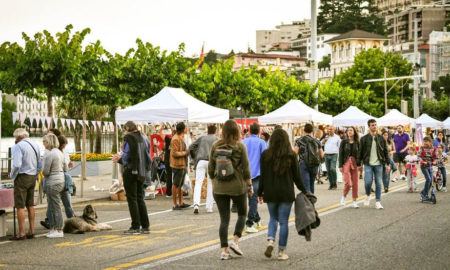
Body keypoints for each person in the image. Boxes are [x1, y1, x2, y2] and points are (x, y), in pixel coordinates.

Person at [258, 129, 307, 260]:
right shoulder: (291, 155)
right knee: (284, 221)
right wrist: (305, 190)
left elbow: (262, 176)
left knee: (273, 218)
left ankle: (270, 240)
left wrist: (259, 192)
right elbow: (297, 176)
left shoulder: (265, 155)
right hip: (286, 192)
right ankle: (281, 252)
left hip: (270, 191)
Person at [208, 120, 252, 260]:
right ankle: (235, 241)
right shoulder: (240, 146)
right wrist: (249, 185)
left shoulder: (215, 145)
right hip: (237, 187)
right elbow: (246, 168)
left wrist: (214, 182)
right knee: (242, 214)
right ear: (237, 132)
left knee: (224, 219)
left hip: (219, 188)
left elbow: (211, 167)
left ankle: (224, 251)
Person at [112, 121, 151, 234]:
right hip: (142, 171)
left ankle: (135, 226)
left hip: (130, 171)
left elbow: (126, 157)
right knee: (140, 198)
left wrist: (119, 158)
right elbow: (148, 156)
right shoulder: (143, 138)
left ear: (128, 129)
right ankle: (145, 226)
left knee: (132, 198)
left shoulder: (128, 139)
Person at [10, 128, 42, 240]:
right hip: (33, 176)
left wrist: (12, 176)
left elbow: (17, 164)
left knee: (20, 206)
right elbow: (39, 164)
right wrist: (35, 173)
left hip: (22, 176)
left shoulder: (18, 146)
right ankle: (31, 231)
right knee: (30, 204)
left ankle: (21, 233)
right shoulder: (35, 145)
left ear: (18, 137)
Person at [360, 119, 390, 209]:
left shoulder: (381, 138)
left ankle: (378, 201)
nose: (374, 126)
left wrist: (388, 164)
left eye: (375, 125)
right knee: (368, 182)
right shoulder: (364, 139)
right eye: (372, 125)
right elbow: (360, 152)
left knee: (379, 183)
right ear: (369, 126)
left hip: (379, 163)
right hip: (368, 163)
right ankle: (368, 194)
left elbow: (385, 151)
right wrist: (359, 164)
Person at [242, 123, 267, 233]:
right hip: (257, 174)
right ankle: (249, 223)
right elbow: (265, 159)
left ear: (249, 131)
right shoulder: (262, 142)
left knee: (251, 198)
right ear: (259, 131)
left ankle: (257, 219)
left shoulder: (243, 142)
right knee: (253, 199)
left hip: (244, 174)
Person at [42, 133, 68, 238]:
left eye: (44, 141)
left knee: (55, 206)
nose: (43, 144)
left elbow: (45, 171)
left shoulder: (50, 154)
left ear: (48, 142)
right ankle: (54, 228)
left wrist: (44, 171)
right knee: (54, 206)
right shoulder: (60, 153)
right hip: (61, 180)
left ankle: (58, 229)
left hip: (52, 181)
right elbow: (66, 168)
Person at [190, 125, 218, 214]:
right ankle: (209, 207)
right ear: (215, 131)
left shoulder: (202, 138)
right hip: (211, 162)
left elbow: (191, 147)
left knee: (198, 183)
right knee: (210, 183)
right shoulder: (217, 139)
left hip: (201, 161)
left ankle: (196, 205)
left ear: (207, 131)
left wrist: (195, 156)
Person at [294, 123, 323, 194]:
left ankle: (307, 202)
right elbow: (322, 154)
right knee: (312, 184)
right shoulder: (317, 141)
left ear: (304, 130)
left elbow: (295, 153)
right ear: (312, 131)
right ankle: (311, 202)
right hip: (314, 164)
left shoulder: (299, 140)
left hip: (303, 163)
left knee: (306, 185)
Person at [169, 122, 191, 210]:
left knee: (180, 184)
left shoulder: (179, 138)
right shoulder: (175, 139)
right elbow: (174, 153)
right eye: (185, 128)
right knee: (176, 184)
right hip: (177, 165)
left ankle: (181, 202)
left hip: (182, 164)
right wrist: (185, 153)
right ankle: (175, 204)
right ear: (183, 129)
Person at [338, 127, 361, 208]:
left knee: (355, 183)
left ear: (354, 132)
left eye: (351, 130)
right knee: (348, 182)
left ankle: (354, 201)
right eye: (348, 130)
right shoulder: (344, 142)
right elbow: (340, 154)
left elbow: (360, 155)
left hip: (355, 163)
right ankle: (344, 196)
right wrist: (340, 165)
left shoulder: (357, 142)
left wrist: (360, 164)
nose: (349, 132)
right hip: (346, 162)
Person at [418, 137, 437, 201]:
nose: (425, 143)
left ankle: (423, 192)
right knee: (428, 179)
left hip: (430, 165)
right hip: (424, 166)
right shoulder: (422, 148)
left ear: (430, 142)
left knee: (432, 180)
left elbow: (435, 157)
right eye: (424, 141)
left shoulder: (434, 148)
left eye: (426, 141)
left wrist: (434, 161)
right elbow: (419, 157)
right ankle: (424, 194)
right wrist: (423, 162)